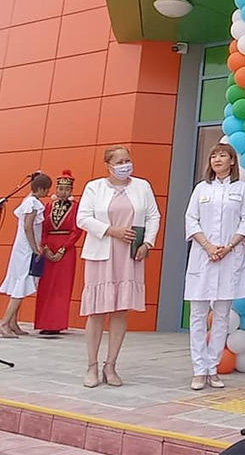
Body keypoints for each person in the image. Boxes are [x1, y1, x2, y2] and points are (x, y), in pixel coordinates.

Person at [77, 146, 160, 388]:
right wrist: (111, 230)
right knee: (96, 311)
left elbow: (153, 216)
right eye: (120, 161)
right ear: (109, 165)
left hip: (129, 255)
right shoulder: (95, 187)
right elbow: (83, 218)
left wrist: (148, 242)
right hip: (102, 252)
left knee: (120, 310)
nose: (126, 165)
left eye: (128, 160)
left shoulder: (142, 186)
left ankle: (110, 365)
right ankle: (91, 366)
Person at [185, 144, 245, 391]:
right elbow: (191, 219)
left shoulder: (242, 189)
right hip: (203, 257)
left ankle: (213, 368)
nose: (217, 159)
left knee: (222, 316)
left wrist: (227, 247)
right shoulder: (201, 188)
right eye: (213, 155)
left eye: (222, 155)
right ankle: (198, 369)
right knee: (198, 315)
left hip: (229, 257)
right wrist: (208, 246)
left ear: (233, 161)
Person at [0, 173, 52, 338]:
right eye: (46, 189)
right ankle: (4, 323)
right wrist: (34, 247)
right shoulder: (34, 204)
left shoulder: (28, 200)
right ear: (40, 188)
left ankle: (13, 323)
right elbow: (29, 226)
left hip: (20, 248)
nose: (47, 192)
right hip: (26, 249)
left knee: (18, 283)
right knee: (21, 284)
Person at [35, 170, 83, 335]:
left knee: (62, 287)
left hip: (66, 250)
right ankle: (44, 322)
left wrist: (63, 249)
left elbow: (77, 230)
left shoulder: (76, 207)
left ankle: (56, 324)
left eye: (66, 189)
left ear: (71, 190)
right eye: (60, 189)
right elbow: (42, 228)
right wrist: (46, 247)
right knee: (46, 286)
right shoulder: (48, 206)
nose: (63, 192)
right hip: (50, 247)